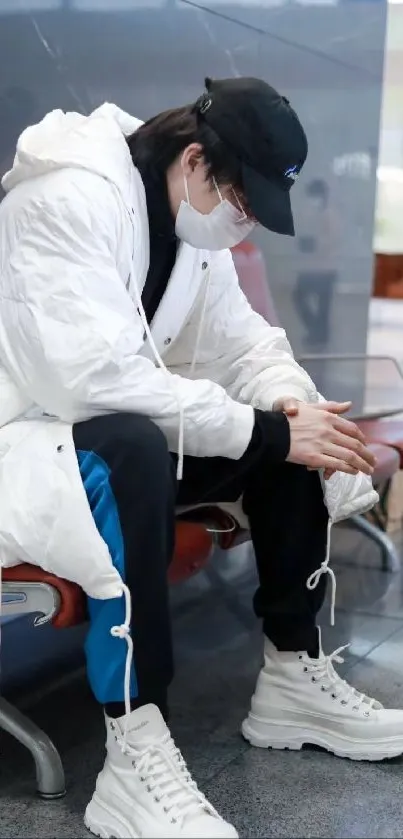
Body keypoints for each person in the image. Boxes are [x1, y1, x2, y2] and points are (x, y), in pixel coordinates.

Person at [0, 77, 399, 839]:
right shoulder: (62, 200)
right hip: (26, 440)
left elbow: (246, 344)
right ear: (193, 160)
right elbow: (87, 381)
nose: (242, 227)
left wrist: (293, 408)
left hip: (103, 438)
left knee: (286, 435)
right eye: (243, 205)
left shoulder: (186, 224)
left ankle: (292, 676)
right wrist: (271, 429)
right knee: (133, 447)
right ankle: (133, 750)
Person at [293, 178, 339, 346]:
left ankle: (319, 335)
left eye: (314, 196)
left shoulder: (330, 215)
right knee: (300, 298)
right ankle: (317, 332)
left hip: (325, 269)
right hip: (311, 268)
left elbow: (331, 240)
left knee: (322, 307)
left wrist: (312, 243)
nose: (312, 200)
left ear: (322, 196)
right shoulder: (313, 214)